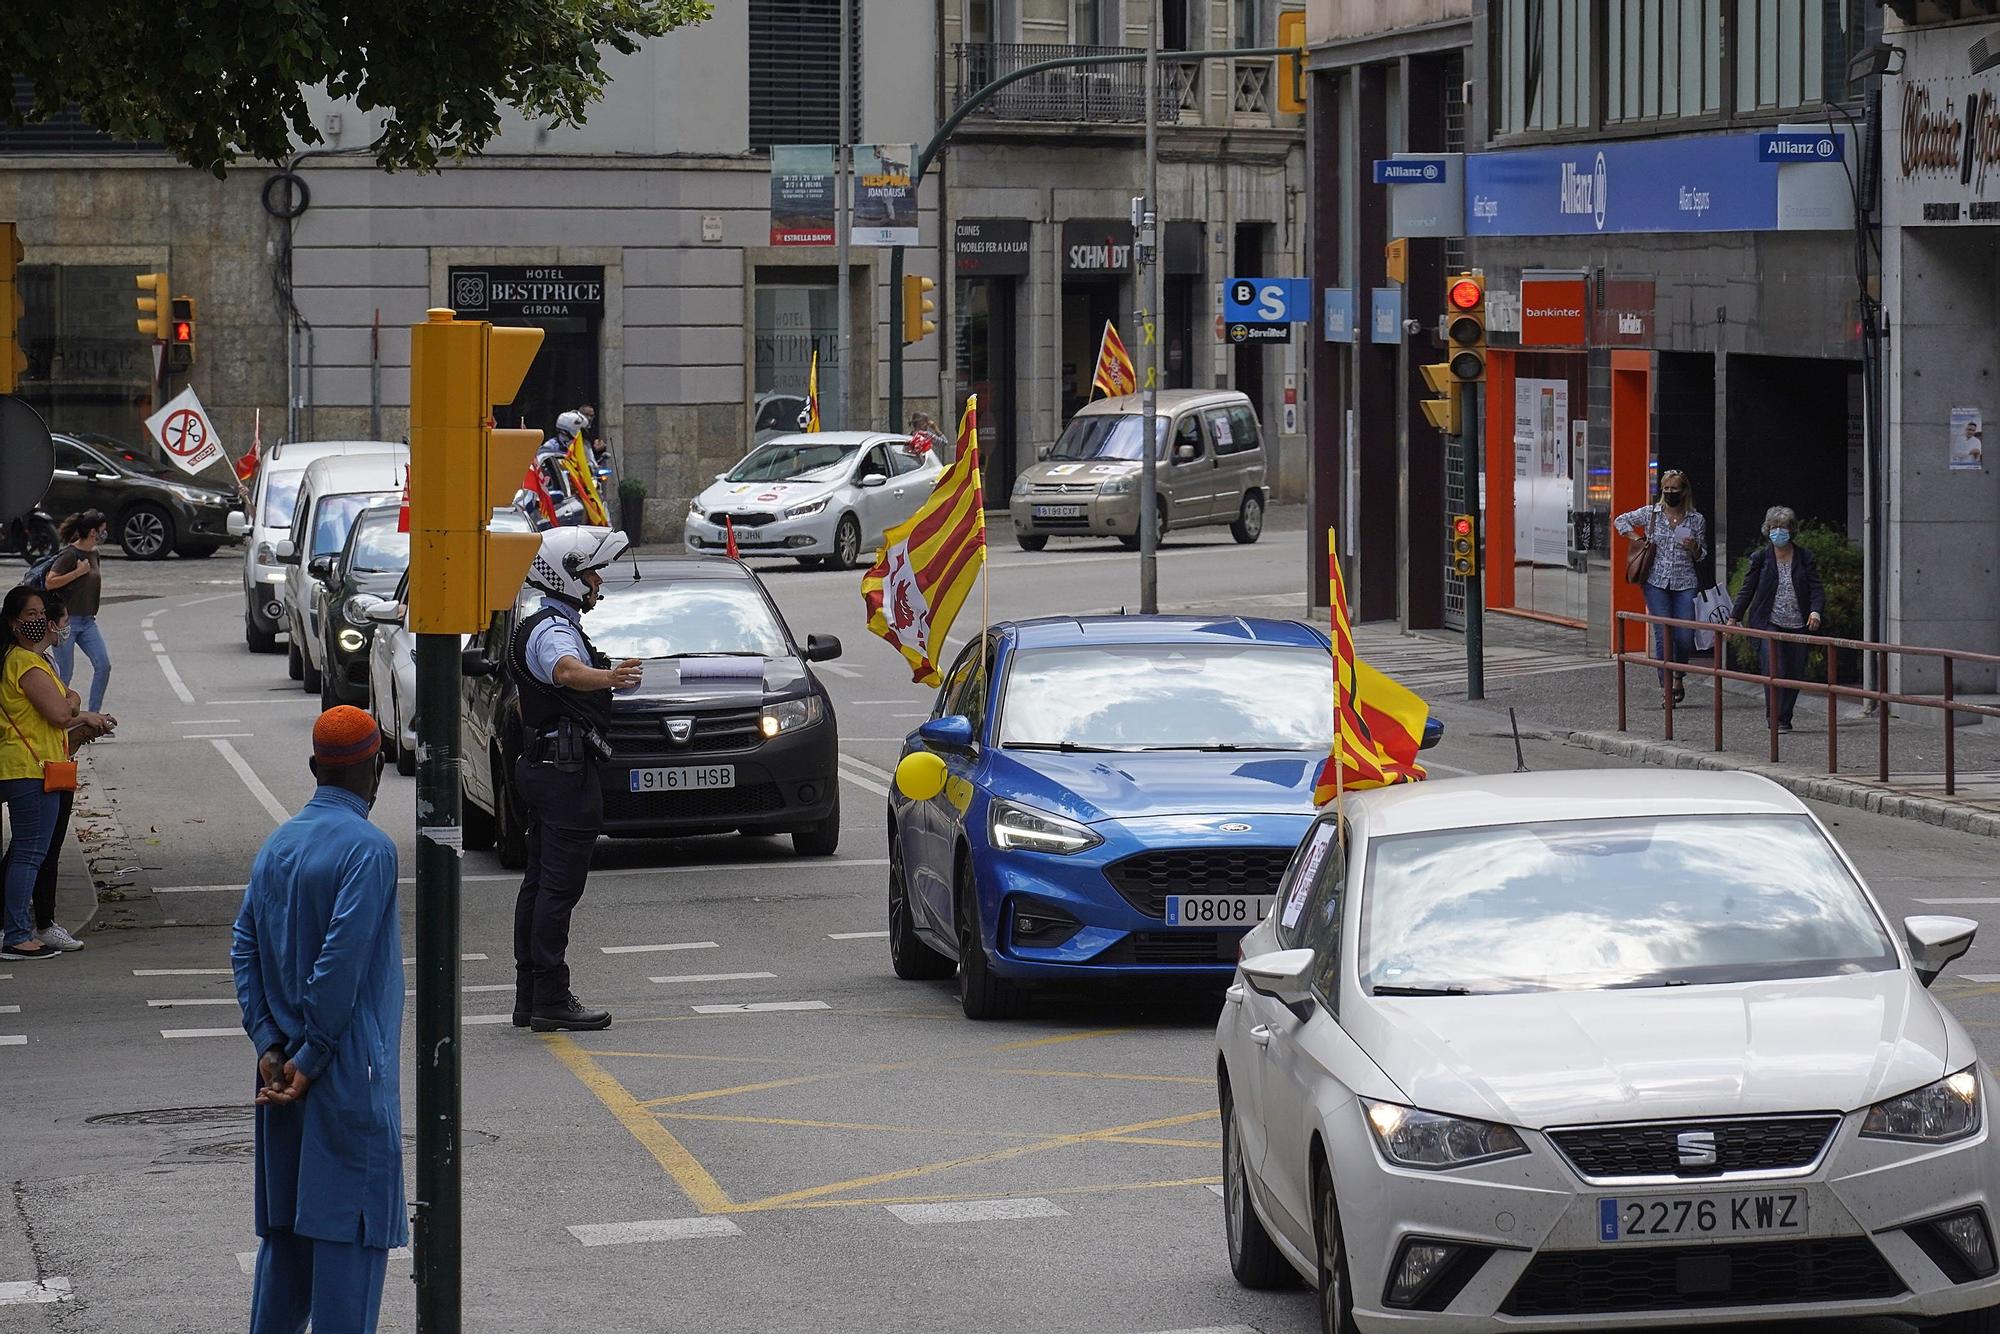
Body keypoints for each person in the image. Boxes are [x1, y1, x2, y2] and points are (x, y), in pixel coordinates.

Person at [231, 706, 403, 1334]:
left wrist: (270, 1044)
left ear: (313, 768)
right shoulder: (370, 850)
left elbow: (243, 945)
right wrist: (311, 1057)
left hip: (279, 1086)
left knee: (286, 1251)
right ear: (377, 766)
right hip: (344, 1079)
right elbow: (342, 964)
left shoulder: (278, 843)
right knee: (347, 1255)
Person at [509, 526, 643, 1032]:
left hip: (546, 768)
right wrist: (608, 677)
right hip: (562, 775)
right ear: (564, 574)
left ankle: (531, 995)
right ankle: (550, 996)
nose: (597, 580)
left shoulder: (546, 622)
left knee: (540, 883)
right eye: (589, 572)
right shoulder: (552, 630)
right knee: (557, 888)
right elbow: (564, 671)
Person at [0, 587, 111, 961]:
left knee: (32, 850)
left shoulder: (37, 661)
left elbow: (68, 698)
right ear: (14, 623)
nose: (37, 621)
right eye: (29, 615)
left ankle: (18, 929)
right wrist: (80, 711)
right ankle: (16, 935)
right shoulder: (25, 663)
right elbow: (61, 712)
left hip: (42, 766)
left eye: (39, 613)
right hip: (27, 769)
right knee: (30, 852)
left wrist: (73, 704)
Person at [1614, 469, 1709, 704]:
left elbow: (1702, 555)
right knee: (1662, 633)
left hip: (1685, 581)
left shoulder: (1695, 519)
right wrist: (1636, 538)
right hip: (1655, 581)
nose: (1669, 494)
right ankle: (1666, 686)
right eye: (1666, 489)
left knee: (1685, 635)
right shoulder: (1651, 514)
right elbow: (1620, 520)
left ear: (1684, 491)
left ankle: (1678, 674)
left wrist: (1694, 547)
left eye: (1674, 490)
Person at [1729, 506, 1825, 734]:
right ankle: (1775, 718)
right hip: (1768, 622)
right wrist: (1734, 617)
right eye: (1774, 528)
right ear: (1767, 530)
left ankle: (1785, 716)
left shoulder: (1805, 557)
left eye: (1782, 527)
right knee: (1775, 669)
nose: (1778, 532)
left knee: (1794, 673)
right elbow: (1747, 589)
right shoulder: (1761, 558)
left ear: (1792, 530)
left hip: (1799, 623)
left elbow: (1816, 589)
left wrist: (1815, 611)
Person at [45, 510, 111, 714]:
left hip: (88, 621)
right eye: (102, 530)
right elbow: (50, 582)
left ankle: (94, 716)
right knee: (64, 674)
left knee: (103, 665)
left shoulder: (94, 553)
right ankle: (60, 717)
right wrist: (78, 572)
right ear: (93, 532)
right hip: (67, 623)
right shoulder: (70, 555)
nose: (105, 533)